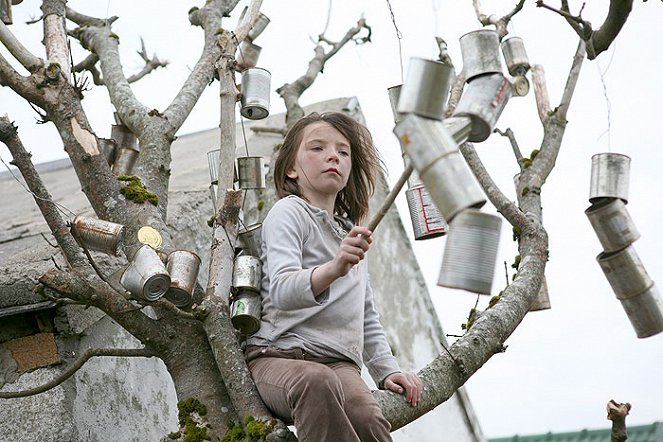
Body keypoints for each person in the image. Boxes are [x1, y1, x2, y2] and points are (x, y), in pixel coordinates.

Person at [244, 112, 423, 441]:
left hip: (340, 365)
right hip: (279, 356)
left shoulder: (350, 234)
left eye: (343, 152)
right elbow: (282, 290)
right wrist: (335, 268)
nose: (333, 156)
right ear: (291, 169)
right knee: (316, 381)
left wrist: (387, 371)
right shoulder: (289, 212)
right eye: (317, 148)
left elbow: (365, 314)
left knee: (368, 418)